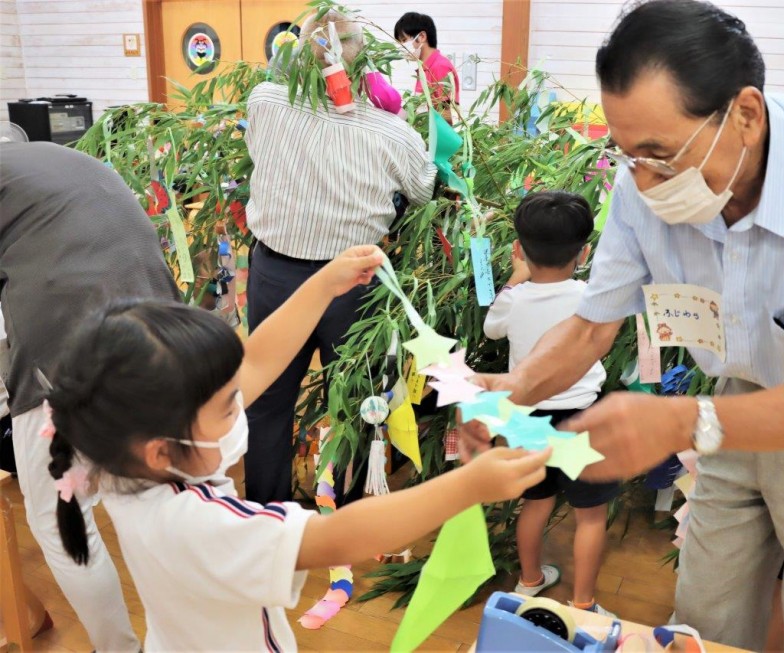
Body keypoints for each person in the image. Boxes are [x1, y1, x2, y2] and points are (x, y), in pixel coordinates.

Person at [459, 1, 784, 650]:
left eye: (661, 154)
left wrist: (681, 421)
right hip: (738, 395)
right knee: (702, 613)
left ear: (743, 113)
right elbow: (592, 325)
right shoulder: (641, 183)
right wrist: (507, 396)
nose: (645, 181)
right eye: (626, 154)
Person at [43, 245, 550, 651]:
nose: (239, 407)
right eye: (226, 407)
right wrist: (469, 484)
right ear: (162, 449)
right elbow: (337, 537)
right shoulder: (198, 523)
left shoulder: (117, 457)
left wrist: (325, 283)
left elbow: (258, 361)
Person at [243, 9, 437, 504]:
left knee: (266, 399)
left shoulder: (265, 101)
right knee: (352, 403)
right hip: (353, 284)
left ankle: (267, 511)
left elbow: (254, 149)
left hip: (274, 274)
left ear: (296, 54)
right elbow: (422, 190)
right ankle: (346, 513)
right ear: (364, 63)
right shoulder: (393, 134)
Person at [0, 141, 181, 651]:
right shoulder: (40, 158)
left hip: (71, 336)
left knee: (59, 519)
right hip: (157, 322)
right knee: (143, 493)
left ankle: (118, 648)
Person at [483, 191, 617, 617]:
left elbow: (491, 330)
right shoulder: (591, 297)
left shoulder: (514, 298)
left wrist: (513, 280)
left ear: (519, 250)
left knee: (535, 503)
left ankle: (530, 581)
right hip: (582, 418)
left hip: (527, 419)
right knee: (591, 516)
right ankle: (584, 604)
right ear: (585, 252)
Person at [394, 12, 461, 111]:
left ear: (421, 36)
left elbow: (446, 115)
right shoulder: (423, 69)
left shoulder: (440, 67)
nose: (402, 47)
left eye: (404, 40)